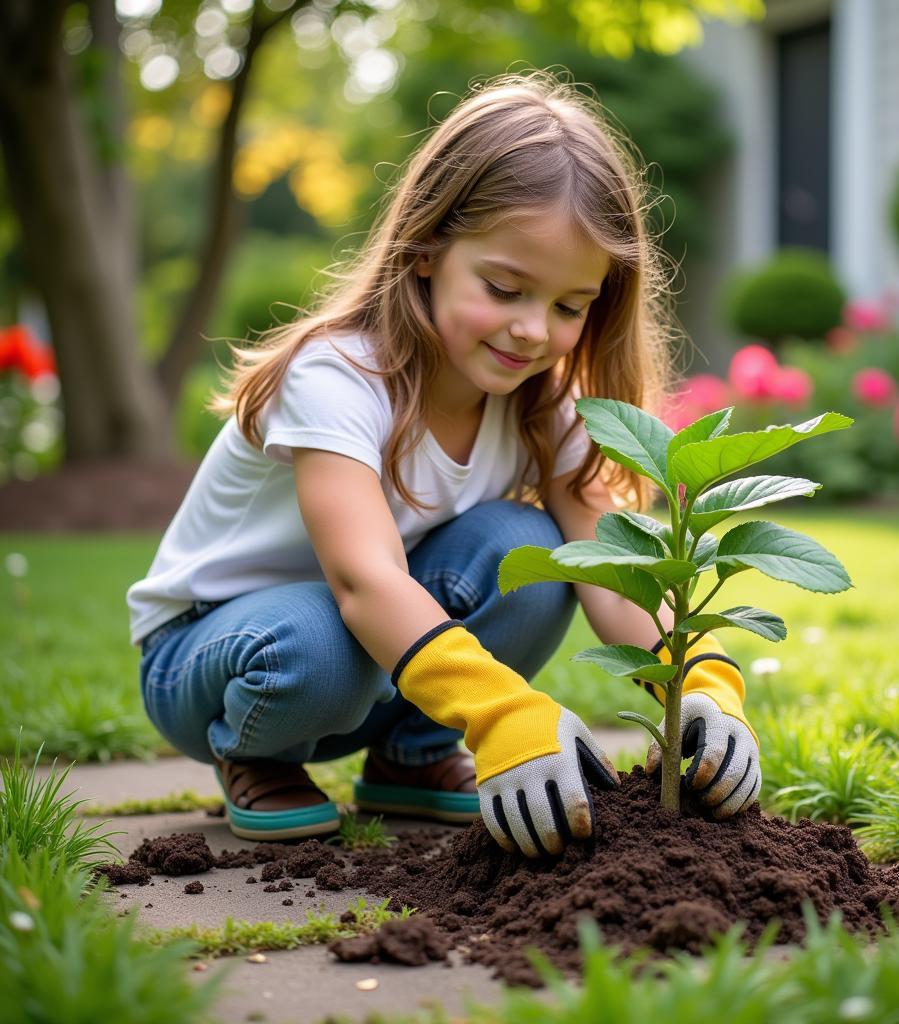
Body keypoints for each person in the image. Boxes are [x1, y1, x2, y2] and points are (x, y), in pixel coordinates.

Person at [127, 70, 761, 859]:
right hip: (216, 655)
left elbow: (619, 574)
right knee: (317, 638)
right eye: (505, 288)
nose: (533, 330)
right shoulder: (339, 377)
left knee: (528, 555)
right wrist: (502, 712)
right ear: (426, 249)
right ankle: (254, 755)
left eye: (570, 306)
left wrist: (703, 684)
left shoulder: (545, 404)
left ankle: (415, 757)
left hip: (367, 661)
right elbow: (365, 583)